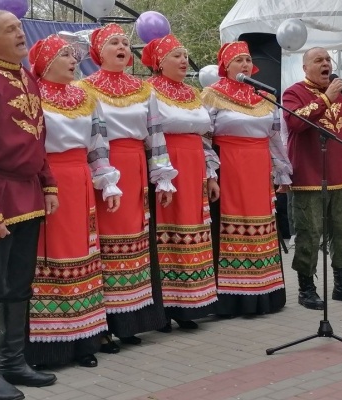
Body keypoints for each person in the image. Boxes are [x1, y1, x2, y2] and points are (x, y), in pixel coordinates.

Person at [0, 10, 58, 400]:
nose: (21, 33)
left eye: (20, 27)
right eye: (11, 30)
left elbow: (39, 137)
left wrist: (48, 183)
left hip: (29, 197)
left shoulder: (26, 76)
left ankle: (13, 362)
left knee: (19, 284)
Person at [24, 35, 122, 368]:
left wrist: (108, 183)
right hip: (48, 182)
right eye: (65, 54)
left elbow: (98, 143)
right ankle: (48, 346)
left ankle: (84, 339)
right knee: (51, 254)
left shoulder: (86, 97)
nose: (73, 60)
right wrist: (42, 183)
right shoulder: (32, 97)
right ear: (46, 62)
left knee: (83, 254)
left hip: (80, 181)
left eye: (74, 55)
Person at [78, 23, 177, 350]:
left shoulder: (143, 90)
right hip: (103, 168)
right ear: (98, 52)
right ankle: (103, 323)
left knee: (135, 242)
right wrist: (103, 176)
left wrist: (163, 176)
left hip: (135, 168)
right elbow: (90, 135)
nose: (122, 47)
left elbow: (156, 135)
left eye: (125, 42)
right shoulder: (85, 89)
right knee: (104, 244)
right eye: (114, 43)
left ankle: (131, 320)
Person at [201, 41, 291, 316]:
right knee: (232, 224)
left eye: (248, 60)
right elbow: (204, 137)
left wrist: (282, 171)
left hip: (259, 169)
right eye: (238, 60)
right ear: (225, 66)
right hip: (229, 165)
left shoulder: (264, 96)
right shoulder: (212, 95)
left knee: (262, 225)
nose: (245, 64)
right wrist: (210, 173)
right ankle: (232, 297)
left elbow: (275, 137)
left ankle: (265, 292)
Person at [282, 47, 342, 310]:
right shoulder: (293, 93)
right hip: (308, 177)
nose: (326, 64)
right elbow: (295, 123)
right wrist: (326, 98)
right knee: (309, 233)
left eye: (328, 59)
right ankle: (306, 289)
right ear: (305, 67)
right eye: (318, 60)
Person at [141, 34, 219, 330]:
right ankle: (164, 307)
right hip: (166, 165)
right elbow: (150, 133)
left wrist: (211, 174)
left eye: (185, 55)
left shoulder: (193, 93)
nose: (184, 60)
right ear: (160, 62)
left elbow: (204, 137)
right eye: (176, 55)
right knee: (167, 232)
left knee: (193, 230)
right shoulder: (149, 90)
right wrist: (160, 173)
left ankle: (189, 305)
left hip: (194, 167)